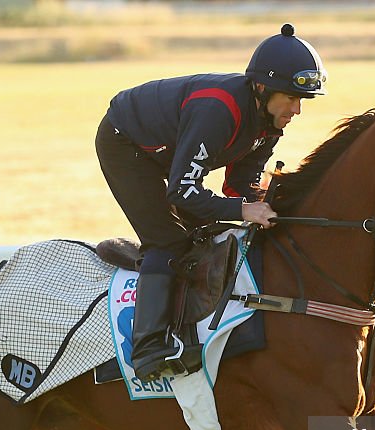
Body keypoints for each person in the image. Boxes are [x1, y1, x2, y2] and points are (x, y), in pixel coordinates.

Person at [96, 23, 327, 382]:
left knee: (209, 230)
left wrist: (264, 207)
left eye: (302, 101)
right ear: (262, 88)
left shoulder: (268, 122)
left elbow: (239, 186)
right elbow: (181, 191)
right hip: (125, 143)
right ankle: (147, 350)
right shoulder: (219, 111)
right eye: (291, 98)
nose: (296, 110)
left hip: (166, 149)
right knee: (169, 239)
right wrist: (242, 210)